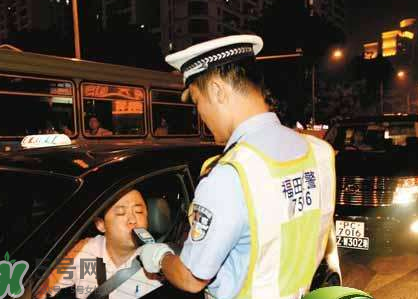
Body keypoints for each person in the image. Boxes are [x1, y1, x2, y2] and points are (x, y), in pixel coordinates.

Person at [139, 35, 339, 299]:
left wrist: (159, 257)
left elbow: (191, 278)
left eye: (198, 103)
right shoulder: (320, 152)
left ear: (218, 91)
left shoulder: (230, 174)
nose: (201, 116)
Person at [37, 189, 161, 299]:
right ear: (101, 225)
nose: (133, 220)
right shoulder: (82, 250)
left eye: (139, 212)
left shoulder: (159, 261)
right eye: (121, 213)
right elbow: (44, 286)